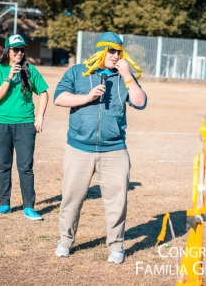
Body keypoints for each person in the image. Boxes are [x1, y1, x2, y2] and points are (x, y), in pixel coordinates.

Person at [53, 31, 147, 263]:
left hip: (114, 150)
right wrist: (86, 97)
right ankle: (65, 241)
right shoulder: (77, 71)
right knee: (71, 199)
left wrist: (127, 76)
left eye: (119, 52)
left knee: (117, 201)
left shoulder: (124, 76)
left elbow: (140, 102)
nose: (116, 56)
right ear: (101, 51)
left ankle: (116, 246)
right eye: (112, 51)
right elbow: (59, 98)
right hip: (79, 149)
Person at [0, 34, 49, 221]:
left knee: (25, 167)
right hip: (1, 125)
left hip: (25, 125)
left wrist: (39, 117)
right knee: (3, 166)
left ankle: (29, 207)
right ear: (8, 50)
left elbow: (44, 93)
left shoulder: (30, 70)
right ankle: (4, 204)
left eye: (22, 49)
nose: (20, 53)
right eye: (16, 49)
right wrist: (9, 77)